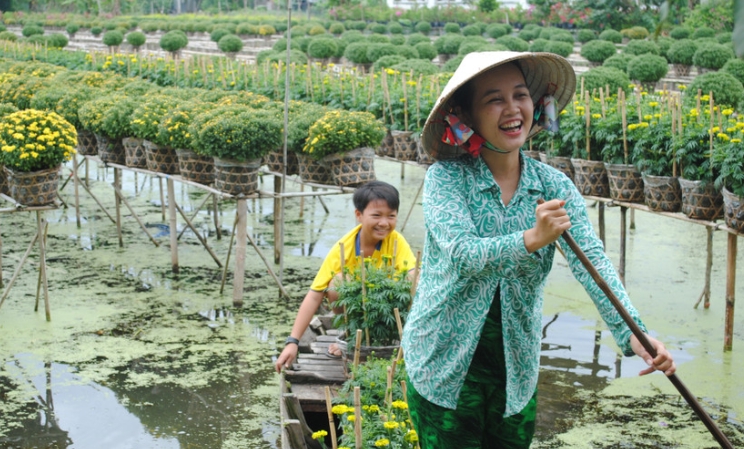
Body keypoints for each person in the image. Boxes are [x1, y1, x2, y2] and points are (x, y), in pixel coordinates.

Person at [400, 51, 676, 448]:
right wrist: (532, 238)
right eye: (494, 99)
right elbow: (463, 254)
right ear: (466, 116)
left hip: (516, 370)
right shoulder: (446, 179)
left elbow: (593, 265)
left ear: (537, 103)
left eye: (520, 95)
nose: (512, 109)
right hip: (442, 365)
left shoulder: (554, 187)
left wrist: (635, 334)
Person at [275, 180, 417, 372]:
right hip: (356, 312)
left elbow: (412, 277)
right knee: (336, 284)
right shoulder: (344, 248)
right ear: (358, 215)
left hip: (388, 312)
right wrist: (293, 341)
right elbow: (315, 294)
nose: (384, 223)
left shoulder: (396, 242)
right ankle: (351, 337)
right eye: (376, 215)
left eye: (391, 216)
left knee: (414, 279)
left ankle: (399, 339)